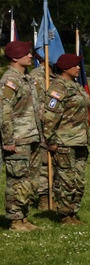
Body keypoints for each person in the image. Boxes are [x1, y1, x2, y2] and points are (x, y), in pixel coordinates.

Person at [41, 53, 90, 225]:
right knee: (66, 180)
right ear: (64, 68)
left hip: (80, 141)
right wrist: (51, 140)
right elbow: (49, 116)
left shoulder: (74, 85)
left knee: (79, 180)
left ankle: (73, 212)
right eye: (75, 65)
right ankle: (64, 215)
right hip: (64, 142)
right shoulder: (58, 87)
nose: (78, 68)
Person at [1, 41, 44, 231]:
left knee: (30, 181)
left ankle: (23, 217)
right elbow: (4, 111)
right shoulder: (10, 80)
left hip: (32, 137)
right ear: (15, 57)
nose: (30, 56)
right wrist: (8, 140)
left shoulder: (26, 78)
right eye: (26, 53)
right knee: (17, 180)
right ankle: (15, 220)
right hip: (18, 139)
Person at [28, 53, 52, 210]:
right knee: (44, 162)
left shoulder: (55, 73)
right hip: (44, 124)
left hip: (57, 125)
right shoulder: (37, 75)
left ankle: (54, 195)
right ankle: (44, 197)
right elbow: (38, 101)